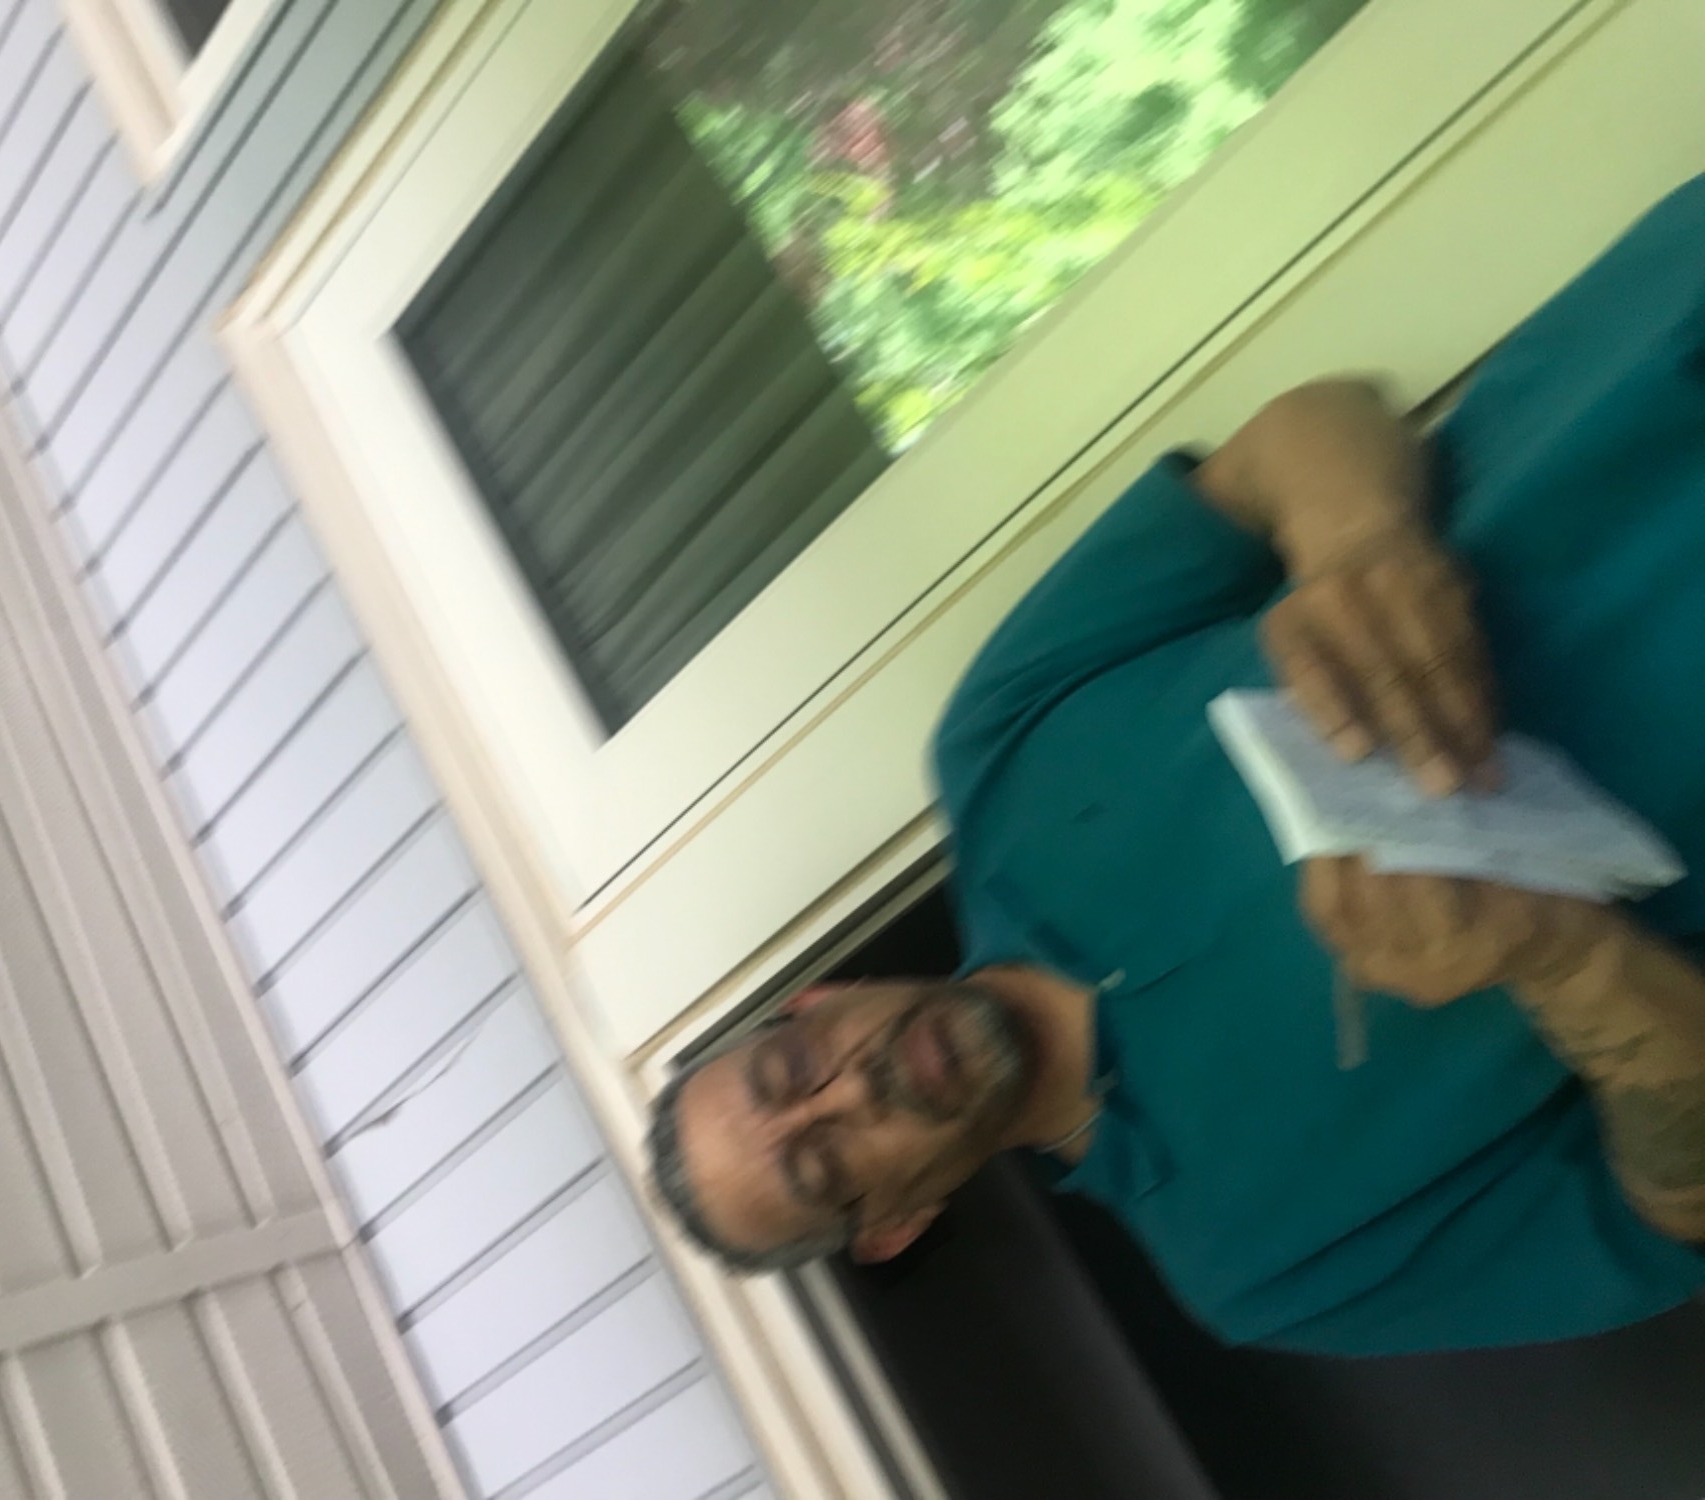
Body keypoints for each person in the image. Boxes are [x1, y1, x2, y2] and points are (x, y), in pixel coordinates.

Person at [646, 177, 1705, 1356]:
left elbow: (1297, 433)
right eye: (827, 1163)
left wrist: (1353, 545)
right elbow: (1676, 1218)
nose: (853, 1091)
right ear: (896, 1223)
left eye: (796, 1069)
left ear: (815, 1003)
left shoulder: (996, 748)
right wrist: (1560, 956)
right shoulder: (1268, 1270)